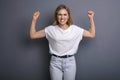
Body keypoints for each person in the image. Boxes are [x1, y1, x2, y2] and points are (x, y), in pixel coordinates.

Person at [30, 4, 95, 80]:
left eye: (65, 14)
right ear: (56, 16)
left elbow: (92, 34)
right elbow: (33, 35)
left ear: (68, 16)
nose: (62, 17)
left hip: (70, 62)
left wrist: (91, 19)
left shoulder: (75, 29)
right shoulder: (51, 29)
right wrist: (34, 20)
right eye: (60, 14)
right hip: (55, 62)